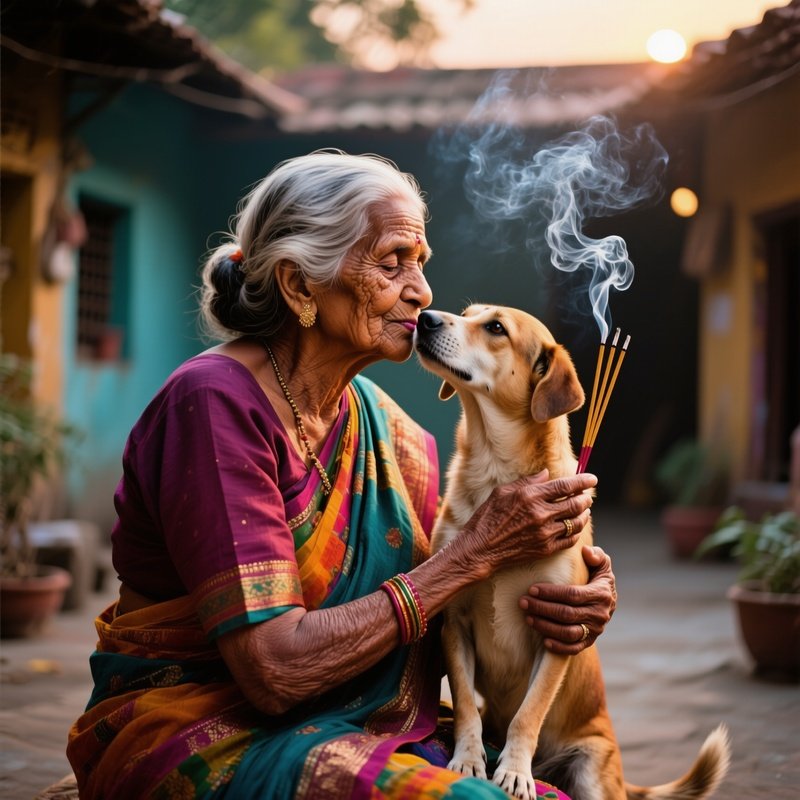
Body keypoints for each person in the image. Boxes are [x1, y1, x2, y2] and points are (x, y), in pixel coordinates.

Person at [67, 150, 616, 799]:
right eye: (393, 264)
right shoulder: (214, 406)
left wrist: (563, 593)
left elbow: (446, 608)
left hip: (358, 719)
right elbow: (274, 674)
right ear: (301, 286)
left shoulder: (391, 432)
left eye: (421, 264)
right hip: (202, 724)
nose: (422, 292)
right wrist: (474, 554)